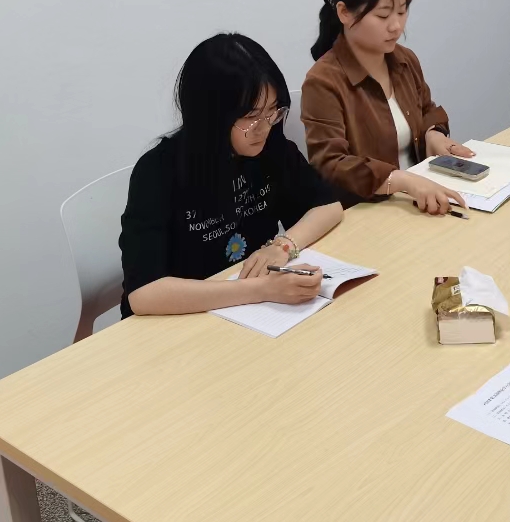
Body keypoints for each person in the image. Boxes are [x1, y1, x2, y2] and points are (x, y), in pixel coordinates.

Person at [119, 34, 343, 318]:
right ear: (211, 116)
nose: (265, 127)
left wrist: (283, 246)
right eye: (251, 116)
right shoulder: (158, 171)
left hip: (249, 311)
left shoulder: (270, 148)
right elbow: (144, 295)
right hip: (178, 319)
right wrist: (262, 290)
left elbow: (328, 207)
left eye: (272, 111)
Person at [302, 0, 473, 215]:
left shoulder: (404, 60)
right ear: (344, 12)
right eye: (383, 16)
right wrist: (403, 181)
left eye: (402, 12)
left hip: (421, 201)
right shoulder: (322, 82)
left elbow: (426, 110)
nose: (396, 26)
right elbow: (332, 164)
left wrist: (433, 135)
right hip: (368, 212)